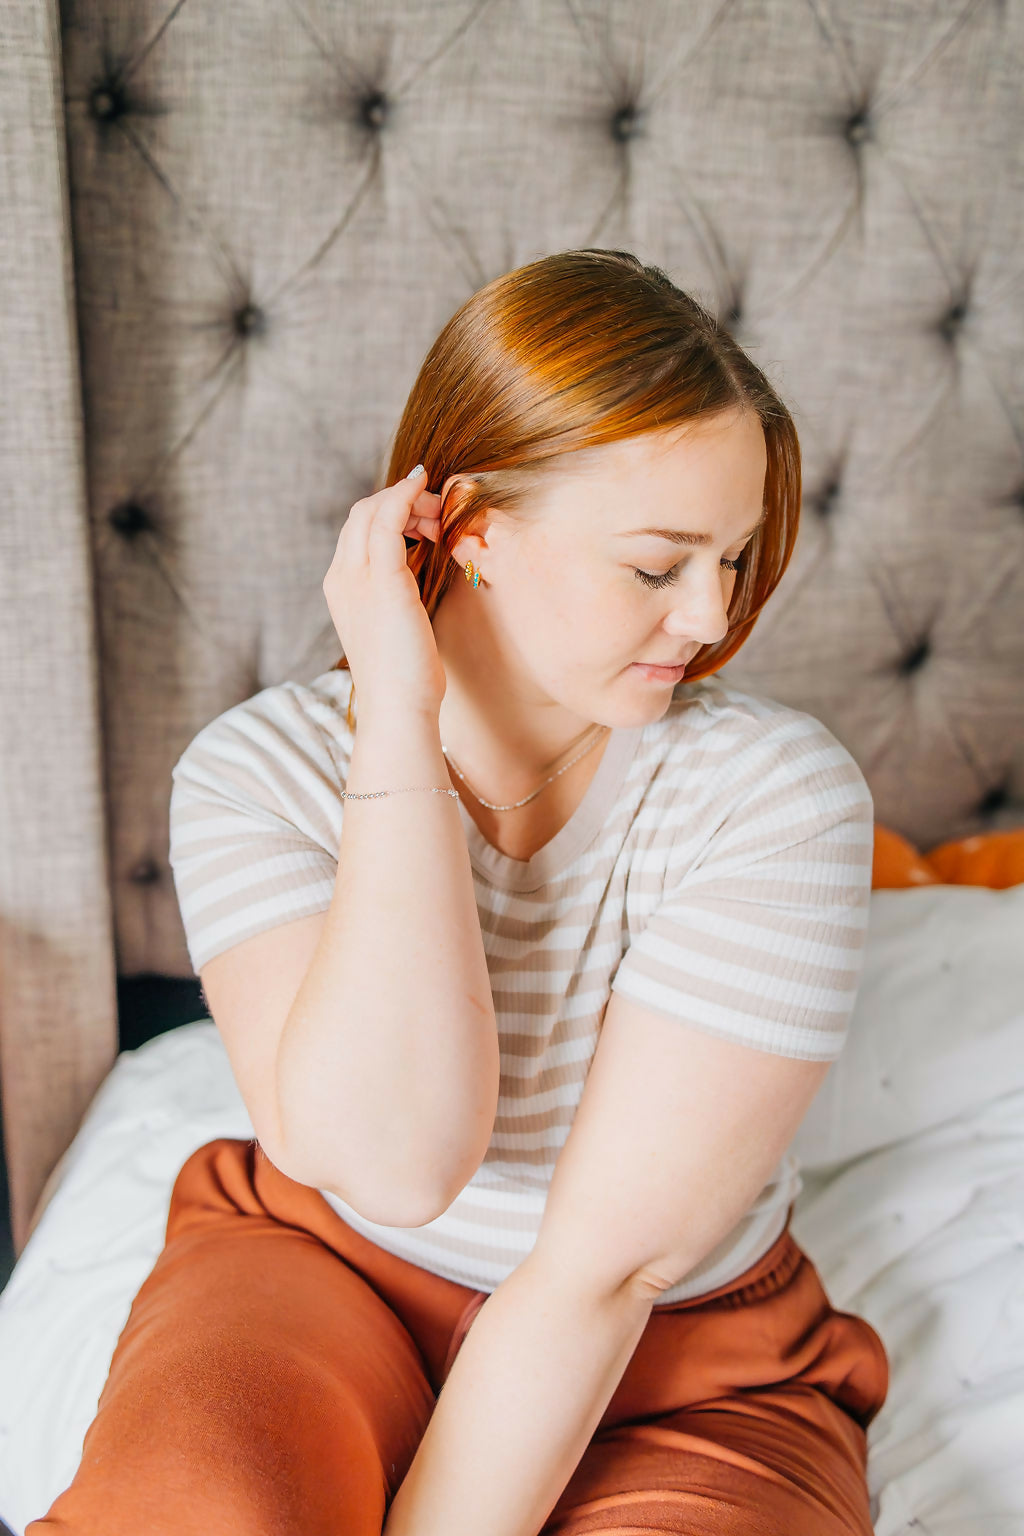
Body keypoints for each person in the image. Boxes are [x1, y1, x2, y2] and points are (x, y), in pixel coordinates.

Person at [27, 248, 887, 1535]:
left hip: (678, 1357)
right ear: (473, 532)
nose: (710, 618)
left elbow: (605, 1269)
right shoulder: (258, 771)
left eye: (736, 558)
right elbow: (396, 1159)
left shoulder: (775, 796)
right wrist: (397, 724)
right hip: (321, 1269)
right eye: (658, 567)